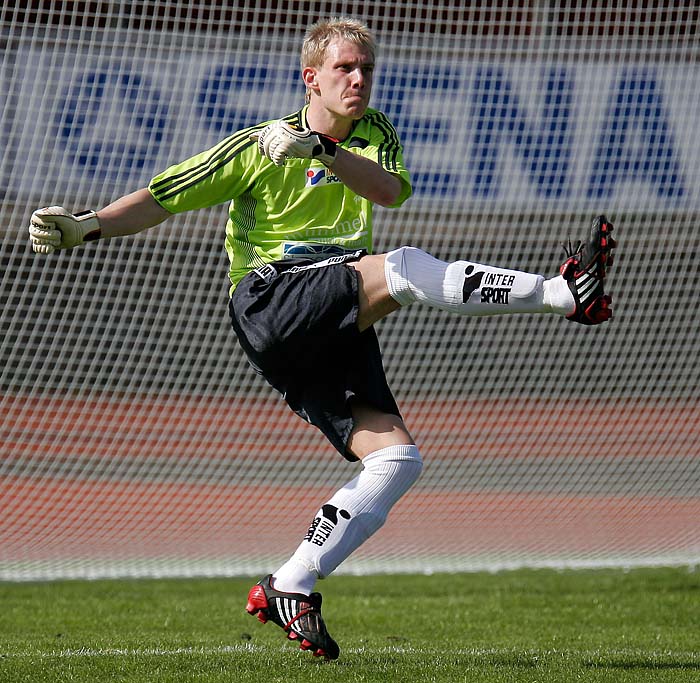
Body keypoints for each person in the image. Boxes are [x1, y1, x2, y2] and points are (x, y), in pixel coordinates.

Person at [28, 17, 616, 660]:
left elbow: (388, 192)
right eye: (345, 69)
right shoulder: (259, 145)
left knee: (396, 461)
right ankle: (563, 294)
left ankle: (292, 582)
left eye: (366, 68)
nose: (359, 80)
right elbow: (164, 196)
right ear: (312, 77)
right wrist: (86, 227)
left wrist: (324, 153)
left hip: (332, 312)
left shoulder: (372, 133)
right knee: (403, 268)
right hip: (273, 298)